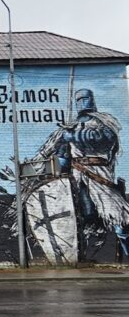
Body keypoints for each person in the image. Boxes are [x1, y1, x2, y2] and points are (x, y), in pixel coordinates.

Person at [38, 89, 129, 260]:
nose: (82, 102)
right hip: (76, 177)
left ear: (92, 100)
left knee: (119, 219)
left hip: (101, 178)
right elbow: (62, 155)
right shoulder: (69, 126)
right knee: (80, 217)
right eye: (78, 99)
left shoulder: (104, 122)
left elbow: (102, 139)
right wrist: (60, 155)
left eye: (85, 99)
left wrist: (73, 135)